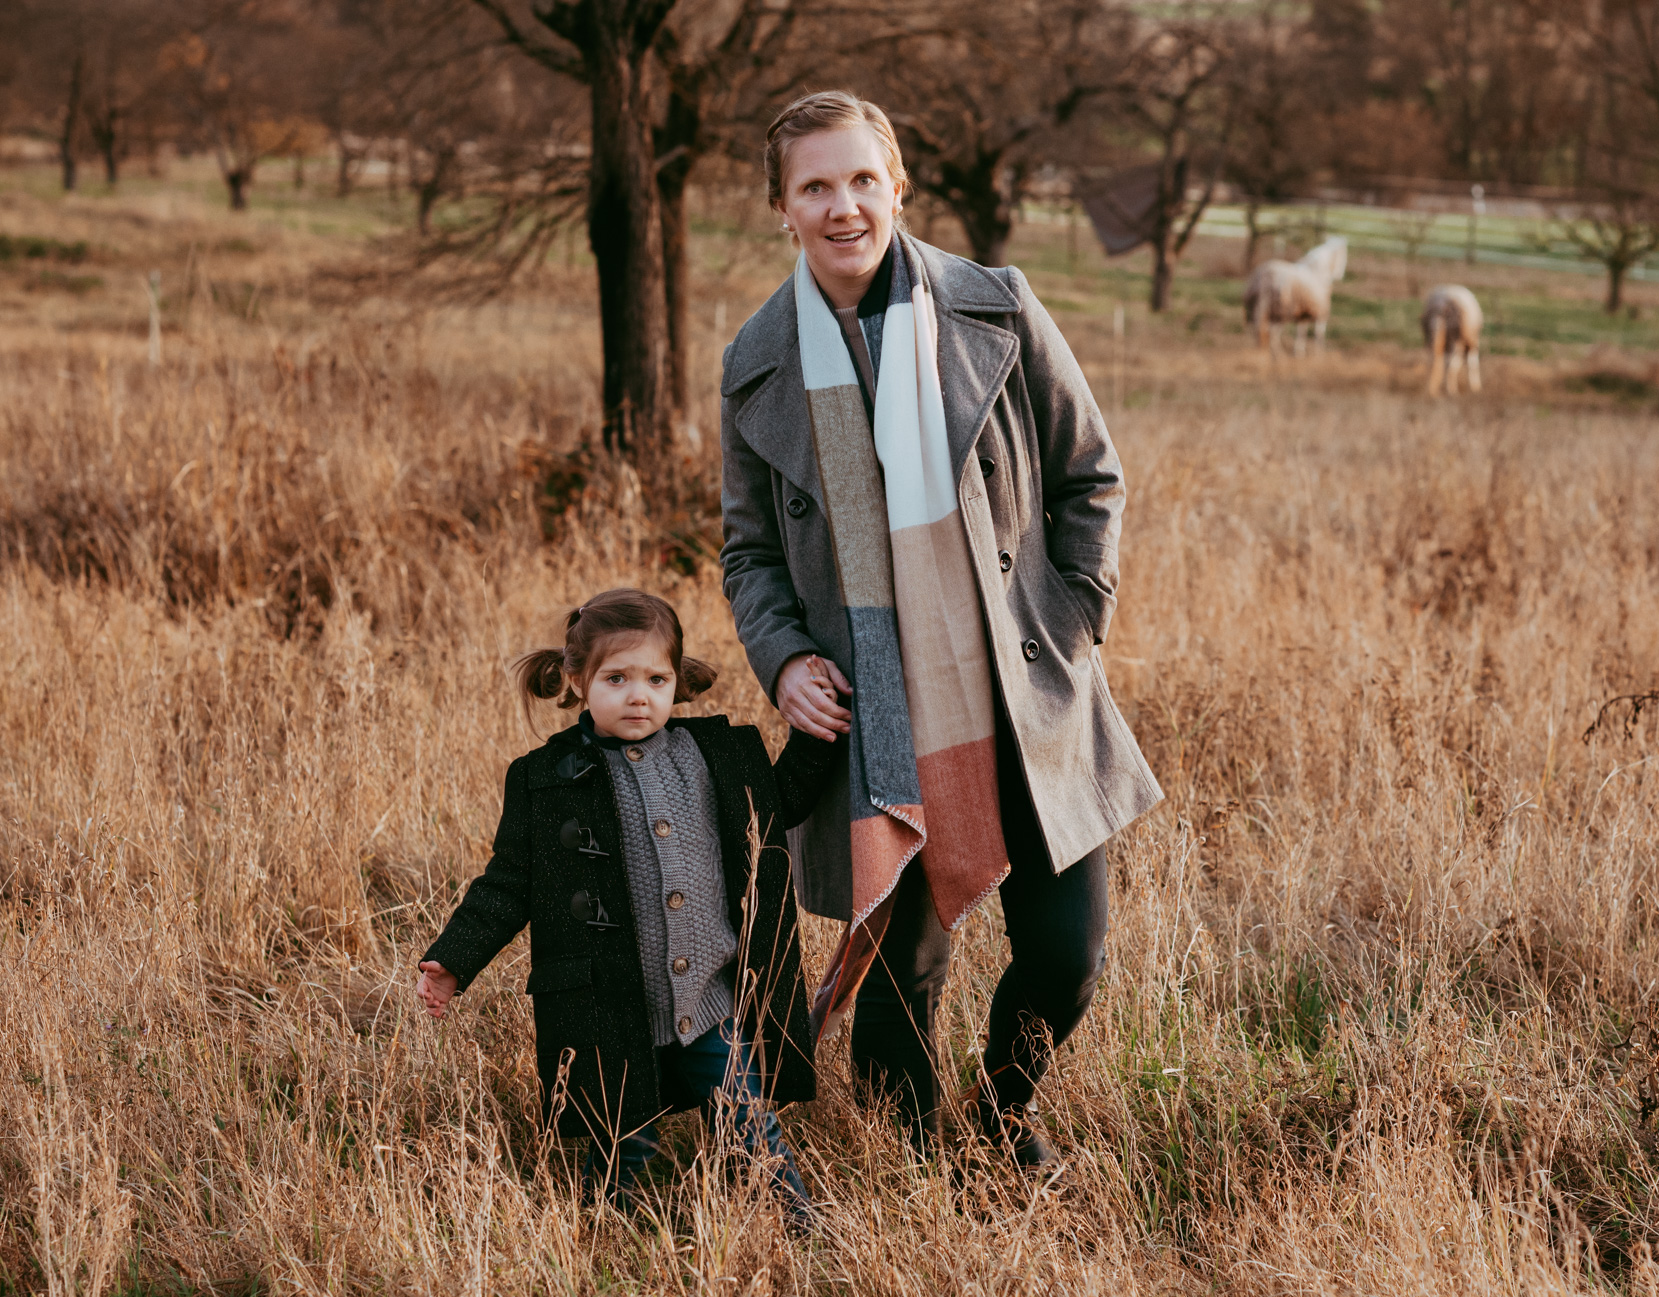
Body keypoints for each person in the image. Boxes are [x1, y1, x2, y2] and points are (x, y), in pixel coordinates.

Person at [718, 90, 1162, 1169]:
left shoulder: (997, 307)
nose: (843, 206)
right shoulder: (755, 361)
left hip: (1022, 683)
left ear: (898, 185)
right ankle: (916, 1164)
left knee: (1070, 955)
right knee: (902, 966)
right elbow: (749, 553)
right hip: (877, 704)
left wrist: (1072, 619)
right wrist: (782, 662)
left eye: (863, 179)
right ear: (781, 208)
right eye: (815, 186)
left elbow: (1089, 475)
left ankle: (1004, 1109)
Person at [414, 589, 839, 1225]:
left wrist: (819, 730)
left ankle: (799, 1223)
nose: (638, 696)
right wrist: (452, 962)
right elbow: (507, 884)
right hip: (611, 1003)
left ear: (678, 681)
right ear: (577, 680)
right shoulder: (545, 779)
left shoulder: (716, 754)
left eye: (656, 679)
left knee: (750, 1121)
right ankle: (610, 1226)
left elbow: (781, 805)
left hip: (709, 1002)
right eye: (617, 678)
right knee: (621, 1141)